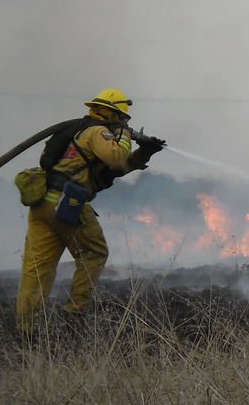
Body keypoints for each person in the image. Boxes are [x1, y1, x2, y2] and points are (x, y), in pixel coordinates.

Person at [16, 88, 165, 335]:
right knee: (95, 253)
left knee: (36, 268)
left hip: (42, 204)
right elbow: (117, 159)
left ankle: (26, 330)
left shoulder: (77, 131)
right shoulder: (99, 131)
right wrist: (125, 134)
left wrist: (145, 152)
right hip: (67, 206)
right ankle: (74, 316)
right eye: (123, 118)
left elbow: (114, 168)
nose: (125, 123)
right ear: (112, 113)